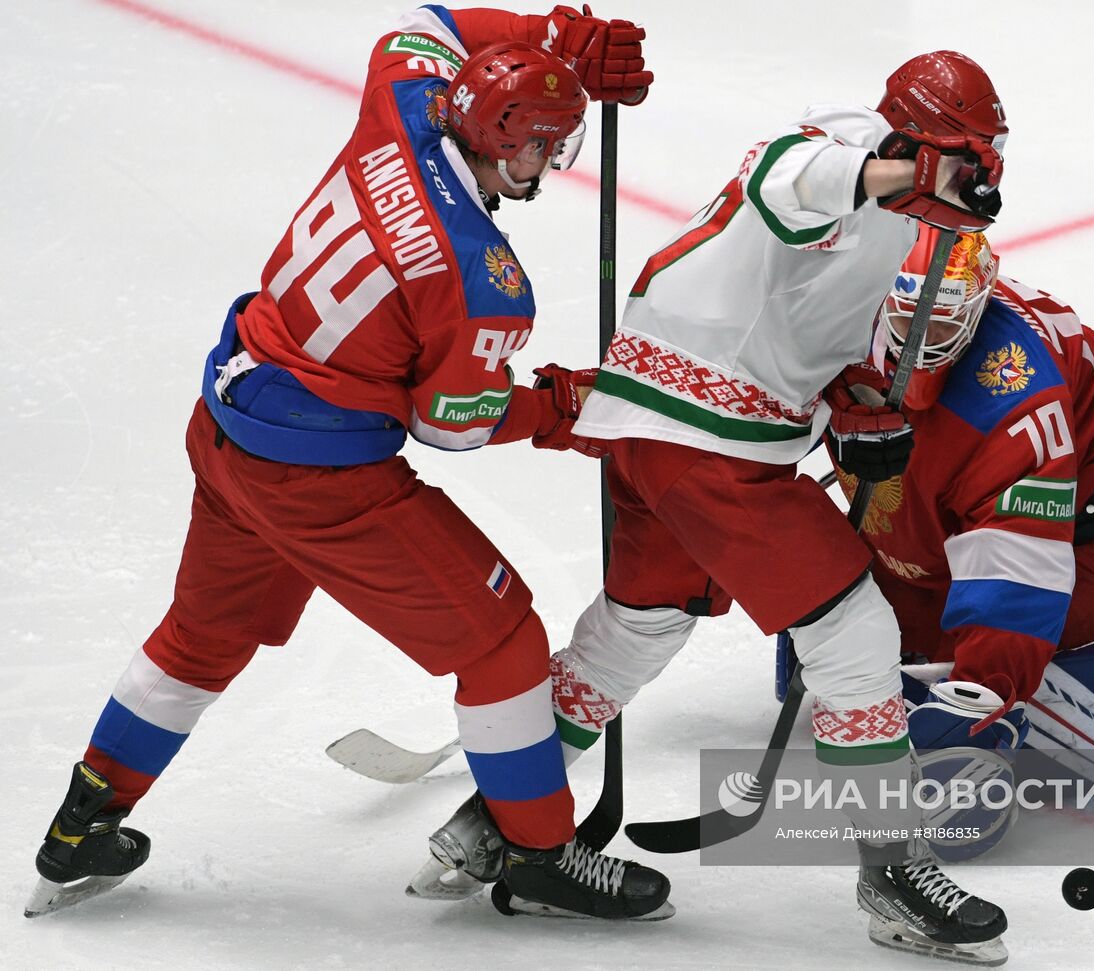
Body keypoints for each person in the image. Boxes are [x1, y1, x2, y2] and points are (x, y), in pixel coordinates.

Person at [27, 5, 672, 923]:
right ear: (513, 146)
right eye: (546, 147)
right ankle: (537, 857)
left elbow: (432, 18)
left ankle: (82, 824)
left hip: (228, 426)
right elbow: (452, 425)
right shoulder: (480, 277)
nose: (549, 166)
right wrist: (562, 407)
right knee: (503, 645)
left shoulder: (405, 99)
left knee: (201, 639)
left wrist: (550, 37)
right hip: (322, 483)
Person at [416, 50, 1017, 965]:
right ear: (910, 142)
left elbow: (829, 328)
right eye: (963, 155)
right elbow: (790, 183)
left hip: (673, 433)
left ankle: (492, 822)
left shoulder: (920, 227)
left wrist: (857, 410)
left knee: (635, 631)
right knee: (854, 639)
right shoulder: (838, 151)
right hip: (711, 444)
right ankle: (893, 871)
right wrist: (904, 168)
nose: (981, 175)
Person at [833, 224, 1094, 743]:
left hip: (1082, 544)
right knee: (855, 644)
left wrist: (980, 704)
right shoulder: (835, 312)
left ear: (979, 308)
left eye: (942, 328)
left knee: (962, 671)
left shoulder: (1018, 395)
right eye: (906, 322)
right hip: (935, 522)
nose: (919, 346)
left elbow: (1021, 564)